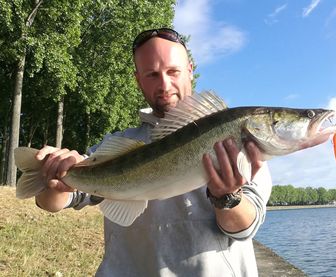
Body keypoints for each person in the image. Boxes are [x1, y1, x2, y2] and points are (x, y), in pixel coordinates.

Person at [35, 28, 272, 276]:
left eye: (173, 71)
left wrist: (228, 197)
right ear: (138, 80)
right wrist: (54, 177)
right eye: (152, 74)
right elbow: (55, 202)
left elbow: (244, 228)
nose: (164, 84)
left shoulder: (233, 141)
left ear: (190, 69)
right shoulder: (118, 144)